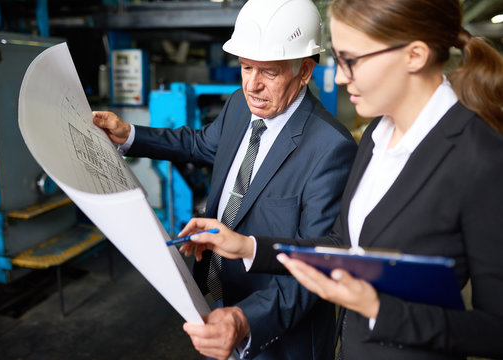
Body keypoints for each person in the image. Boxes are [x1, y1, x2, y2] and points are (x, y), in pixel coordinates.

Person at [177, 0, 503, 359]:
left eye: (352, 60)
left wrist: (379, 308)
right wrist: (250, 247)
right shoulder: (379, 131)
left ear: (415, 55)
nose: (342, 76)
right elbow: (341, 243)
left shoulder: (481, 160)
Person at [93, 0, 357, 359]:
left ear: (305, 71)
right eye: (246, 67)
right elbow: (200, 144)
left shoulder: (330, 148)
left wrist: (245, 321)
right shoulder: (239, 105)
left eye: (270, 72)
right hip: (218, 297)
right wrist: (130, 135)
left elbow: (316, 268)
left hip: (276, 335)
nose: (253, 86)